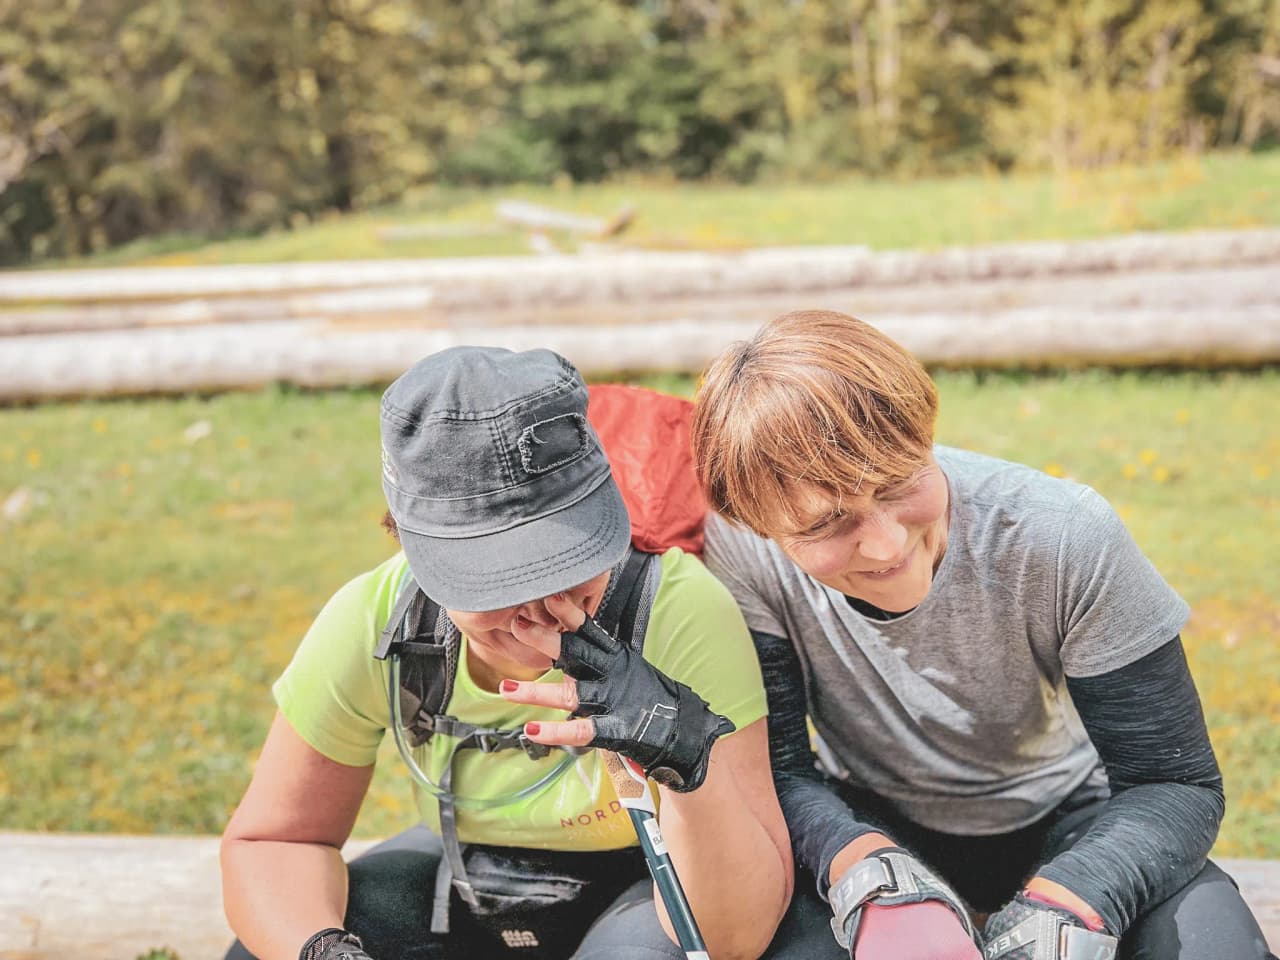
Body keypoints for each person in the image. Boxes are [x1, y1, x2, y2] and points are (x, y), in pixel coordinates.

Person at [689, 309, 1277, 960]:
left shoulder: (1063, 536)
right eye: (826, 525)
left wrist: (1074, 900)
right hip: (866, 815)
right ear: (758, 524)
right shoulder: (741, 554)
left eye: (898, 483)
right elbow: (780, 769)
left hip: (1068, 816)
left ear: (924, 434)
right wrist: (866, 872)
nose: (886, 545)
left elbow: (1173, 784)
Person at [220, 346, 798, 960]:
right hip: (470, 874)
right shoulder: (376, 620)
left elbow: (738, 936)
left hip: (644, 877)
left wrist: (685, 761)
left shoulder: (679, 612)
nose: (545, 612)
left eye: (572, 561)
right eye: (497, 581)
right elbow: (278, 841)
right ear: (415, 550)